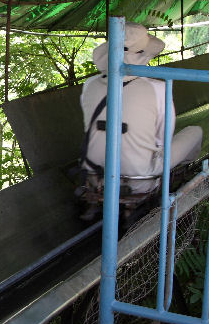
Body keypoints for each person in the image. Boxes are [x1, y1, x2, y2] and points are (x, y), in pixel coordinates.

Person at [80, 22, 202, 198]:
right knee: (194, 131)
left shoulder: (89, 85)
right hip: (140, 179)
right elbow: (162, 139)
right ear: (143, 55)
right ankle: (183, 174)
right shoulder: (158, 88)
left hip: (93, 177)